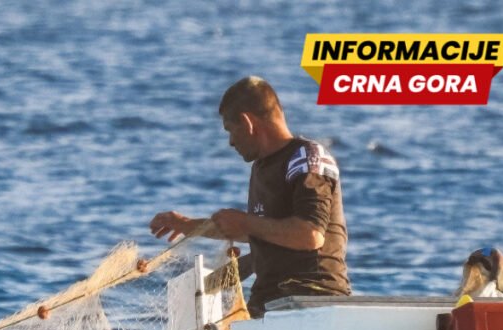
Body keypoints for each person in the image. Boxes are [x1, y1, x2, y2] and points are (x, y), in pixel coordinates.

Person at [149, 76, 351, 317]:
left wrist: (244, 222)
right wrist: (188, 226)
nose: (230, 142)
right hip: (268, 304)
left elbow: (310, 235)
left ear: (247, 122)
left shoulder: (306, 158)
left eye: (230, 130)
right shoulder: (261, 167)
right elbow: (265, 233)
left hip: (314, 301)